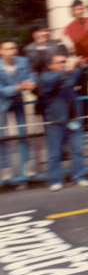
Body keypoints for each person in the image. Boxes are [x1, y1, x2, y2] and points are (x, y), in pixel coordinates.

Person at [39, 54, 88, 191]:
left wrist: (84, 65)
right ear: (51, 65)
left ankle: (79, 177)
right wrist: (68, 69)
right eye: (60, 62)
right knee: (54, 153)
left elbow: (84, 74)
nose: (64, 63)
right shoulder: (46, 77)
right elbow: (54, 82)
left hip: (72, 118)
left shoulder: (69, 73)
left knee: (78, 150)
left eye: (65, 61)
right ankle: (55, 180)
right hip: (55, 120)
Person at [0, 40, 37, 180]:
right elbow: (1, 90)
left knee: (23, 132)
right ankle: (5, 168)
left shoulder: (23, 61)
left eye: (14, 48)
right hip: (2, 102)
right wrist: (18, 87)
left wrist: (32, 82)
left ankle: (26, 166)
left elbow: (31, 75)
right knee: (1, 136)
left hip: (17, 101)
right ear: (1, 51)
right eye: (8, 49)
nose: (12, 51)